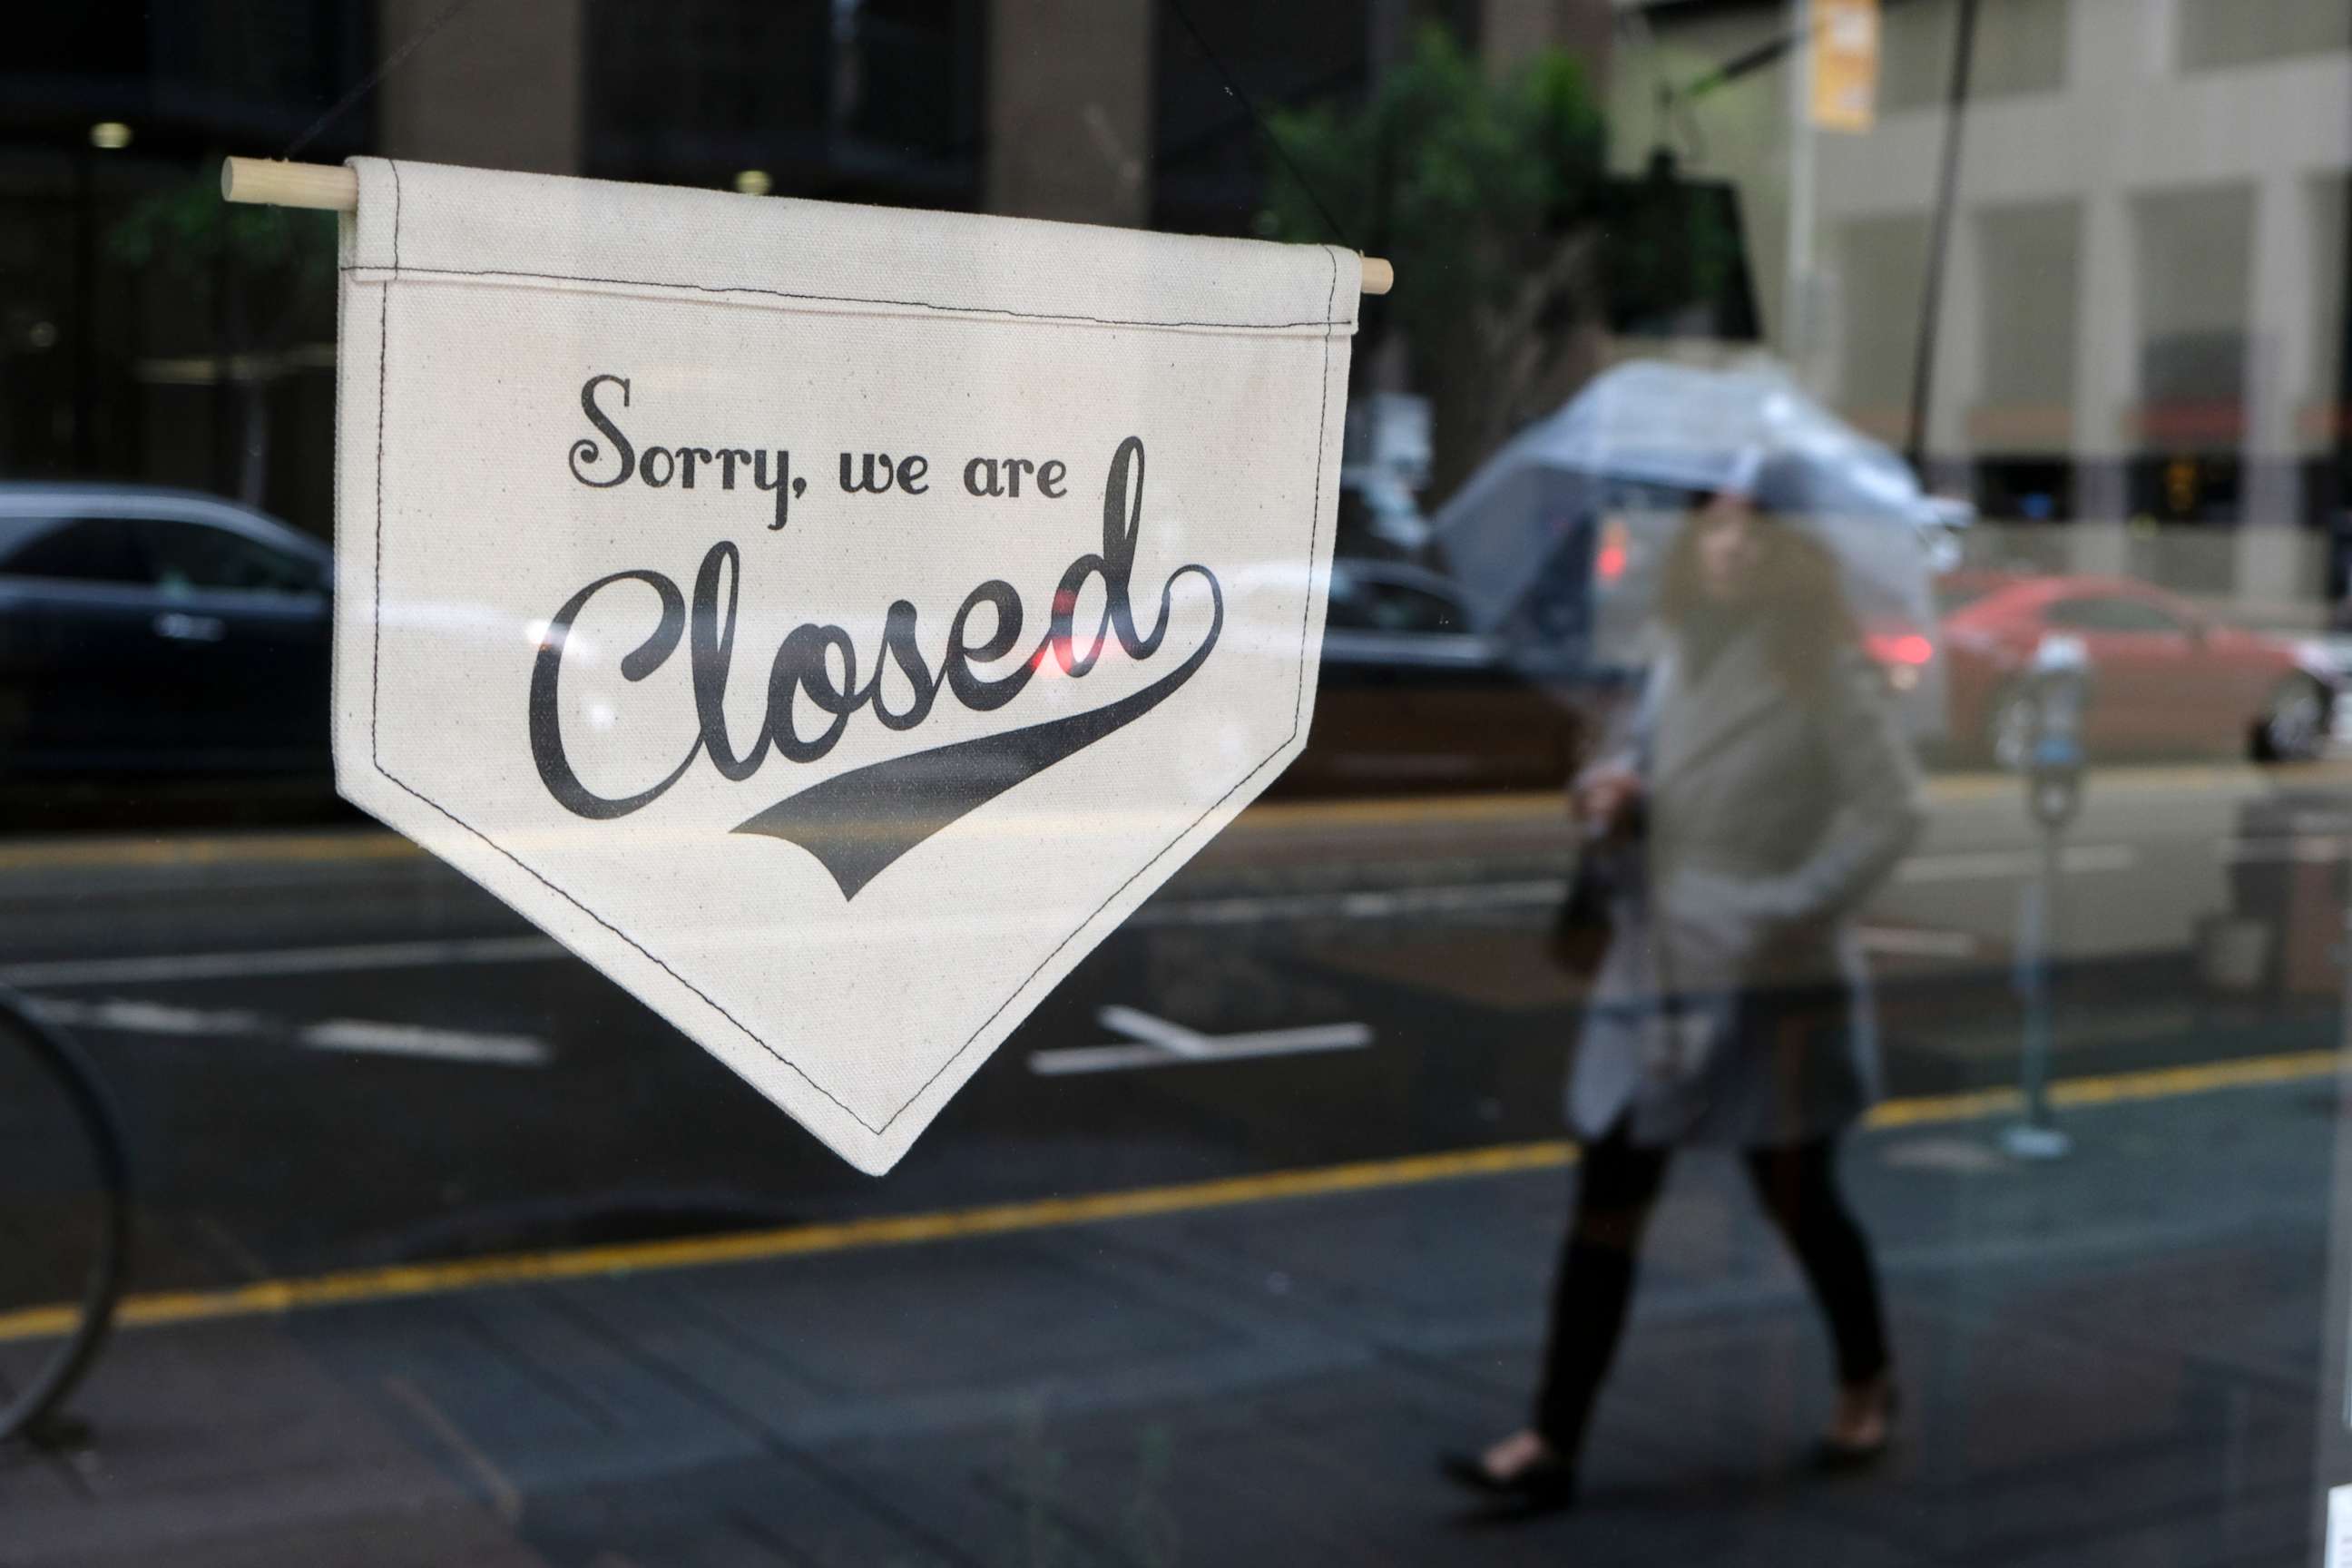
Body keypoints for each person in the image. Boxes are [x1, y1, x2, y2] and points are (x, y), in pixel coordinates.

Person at [1443, 453, 1926, 1514]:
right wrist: (1618, 791)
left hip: (1765, 980)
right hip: (1660, 966)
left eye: (1755, 528)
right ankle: (1551, 1439)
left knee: (1797, 1198)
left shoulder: (1825, 671)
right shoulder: (1672, 654)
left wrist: (1790, 905)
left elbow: (1891, 813)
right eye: (1715, 525)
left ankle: (1866, 1376)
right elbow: (1663, 783)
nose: (1732, 543)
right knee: (1608, 1192)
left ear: (1791, 554)